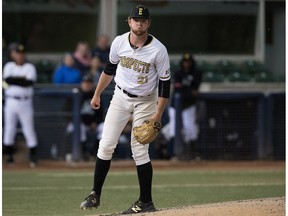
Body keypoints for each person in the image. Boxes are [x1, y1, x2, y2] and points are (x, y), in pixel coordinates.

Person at [80, 5, 171, 214]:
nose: (139, 23)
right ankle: (95, 194)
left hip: (146, 100)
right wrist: (96, 94)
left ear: (148, 23)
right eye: (135, 20)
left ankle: (146, 202)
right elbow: (109, 70)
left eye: (143, 20)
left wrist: (158, 114)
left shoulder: (159, 50)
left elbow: (165, 84)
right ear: (129, 22)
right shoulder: (119, 42)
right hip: (120, 97)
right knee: (106, 144)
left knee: (139, 149)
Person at [2, 43, 38, 167]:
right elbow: (7, 81)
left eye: (22, 54)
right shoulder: (8, 66)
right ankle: (9, 158)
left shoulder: (30, 67)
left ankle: (33, 157)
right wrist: (19, 80)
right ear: (14, 55)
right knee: (9, 129)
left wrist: (15, 80)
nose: (20, 56)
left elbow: (28, 82)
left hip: (25, 101)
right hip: (11, 101)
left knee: (28, 129)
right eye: (18, 54)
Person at [169, 52, 202, 160]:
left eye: (188, 62)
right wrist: (188, 90)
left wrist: (185, 89)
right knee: (173, 128)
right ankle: (174, 154)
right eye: (184, 62)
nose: (186, 64)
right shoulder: (178, 72)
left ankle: (193, 154)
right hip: (175, 106)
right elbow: (177, 87)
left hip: (188, 105)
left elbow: (195, 89)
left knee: (190, 128)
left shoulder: (196, 73)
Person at [64, 74, 104, 161]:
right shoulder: (74, 95)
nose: (87, 85)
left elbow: (100, 113)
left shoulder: (95, 95)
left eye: (89, 83)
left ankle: (96, 152)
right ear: (81, 83)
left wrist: (95, 122)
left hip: (92, 124)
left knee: (104, 128)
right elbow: (66, 112)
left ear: (92, 84)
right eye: (85, 83)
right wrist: (79, 121)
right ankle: (83, 153)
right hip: (78, 124)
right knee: (80, 128)